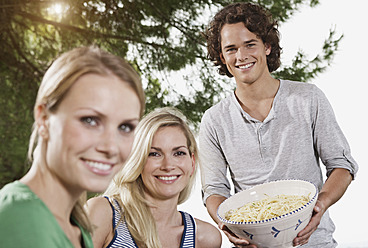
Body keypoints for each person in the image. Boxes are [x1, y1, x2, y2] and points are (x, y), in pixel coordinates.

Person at [199, 2, 358, 248]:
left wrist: (321, 205)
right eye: (231, 49)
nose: (241, 56)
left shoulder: (308, 98)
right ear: (222, 56)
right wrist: (226, 225)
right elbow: (214, 189)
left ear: (267, 46)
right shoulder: (214, 120)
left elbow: (342, 165)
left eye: (250, 44)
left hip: (314, 242)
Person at [0, 46, 145, 247]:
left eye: (125, 127)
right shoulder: (21, 219)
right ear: (43, 119)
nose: (111, 147)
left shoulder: (75, 227)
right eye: (90, 120)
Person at [86, 107, 222, 248]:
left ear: (192, 162)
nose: (168, 165)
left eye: (179, 153)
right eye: (154, 154)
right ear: (138, 161)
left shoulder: (206, 238)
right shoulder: (102, 214)